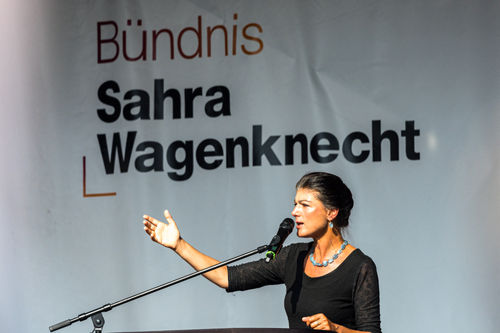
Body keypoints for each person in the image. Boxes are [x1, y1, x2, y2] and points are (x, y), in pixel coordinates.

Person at [143, 172, 381, 333]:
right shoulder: (293, 257)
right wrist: (179, 245)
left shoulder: (360, 267)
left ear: (331, 213)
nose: (294, 212)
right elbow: (227, 276)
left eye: (304, 205)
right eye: (295, 203)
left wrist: (336, 328)